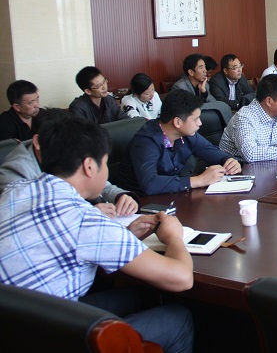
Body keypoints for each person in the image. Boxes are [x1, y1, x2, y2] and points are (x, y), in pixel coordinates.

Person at [0, 117, 194, 353]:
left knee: (139, 296)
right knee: (178, 317)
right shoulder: (85, 219)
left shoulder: (14, 191)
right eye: (105, 162)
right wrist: (173, 236)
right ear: (89, 166)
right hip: (50, 339)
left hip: (15, 330)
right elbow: (182, 278)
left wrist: (124, 235)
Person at [0, 108, 139, 215]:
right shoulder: (14, 173)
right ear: (37, 141)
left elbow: (95, 179)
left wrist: (119, 196)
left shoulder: (70, 152)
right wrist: (88, 213)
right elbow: (31, 219)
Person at [117, 90, 241, 196]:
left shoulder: (187, 135)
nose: (200, 123)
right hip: (139, 203)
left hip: (170, 196)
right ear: (177, 122)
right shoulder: (146, 142)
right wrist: (199, 180)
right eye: (195, 119)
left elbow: (211, 151)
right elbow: (150, 184)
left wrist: (229, 161)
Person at [219, 74, 277, 162]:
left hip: (268, 166)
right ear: (269, 101)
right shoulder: (244, 118)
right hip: (239, 168)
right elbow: (250, 154)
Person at [172, 53, 233, 123]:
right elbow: (185, 111)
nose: (205, 70)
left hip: (203, 120)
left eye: (205, 67)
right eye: (201, 67)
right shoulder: (179, 87)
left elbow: (215, 104)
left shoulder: (205, 84)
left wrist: (204, 92)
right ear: (191, 72)